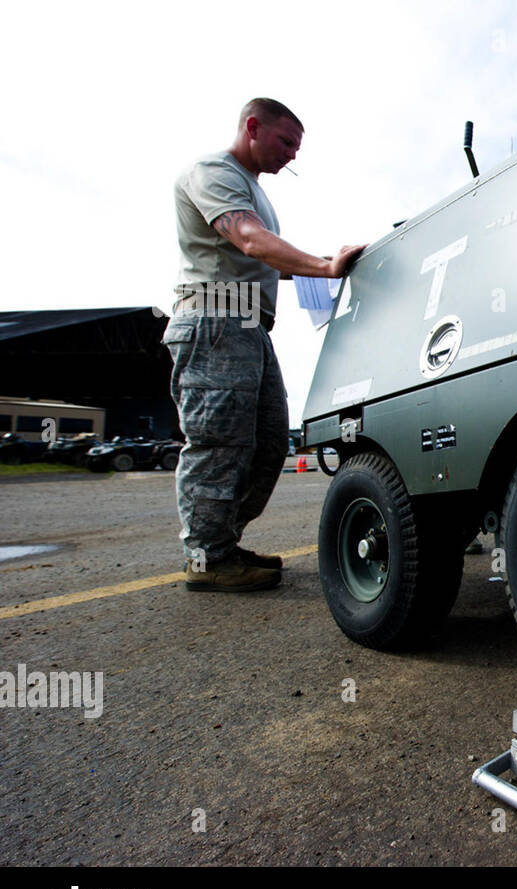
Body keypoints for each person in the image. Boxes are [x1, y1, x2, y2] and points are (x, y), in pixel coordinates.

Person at [166, 97, 366, 592]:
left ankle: (222, 543)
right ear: (252, 127)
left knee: (271, 441)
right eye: (286, 142)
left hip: (249, 326)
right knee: (219, 444)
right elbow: (251, 242)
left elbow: (265, 259)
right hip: (214, 319)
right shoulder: (214, 172)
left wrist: (328, 263)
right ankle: (206, 558)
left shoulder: (254, 190)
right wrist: (323, 268)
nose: (292, 156)